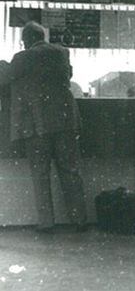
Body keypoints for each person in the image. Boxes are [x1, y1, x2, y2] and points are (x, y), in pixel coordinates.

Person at [0, 22, 87, 233]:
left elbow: (4, 79)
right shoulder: (62, 52)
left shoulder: (23, 57)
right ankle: (80, 220)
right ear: (43, 37)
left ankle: (47, 222)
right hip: (66, 121)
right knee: (71, 171)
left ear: (26, 40)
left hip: (37, 124)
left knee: (41, 174)